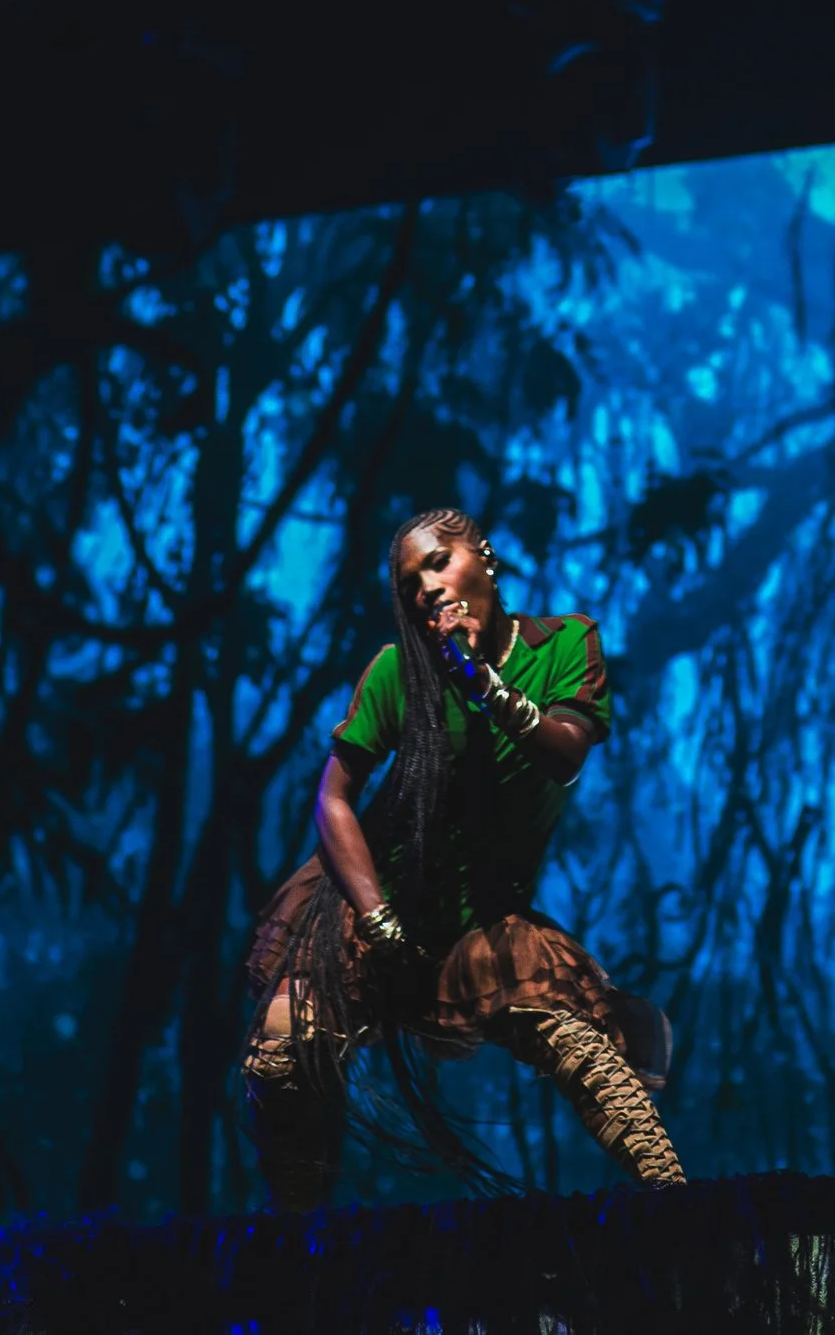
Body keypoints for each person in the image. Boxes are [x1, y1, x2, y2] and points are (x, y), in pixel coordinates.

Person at [239, 505, 684, 1206]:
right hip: (376, 907)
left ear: (485, 557)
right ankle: (299, 1238)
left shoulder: (565, 643)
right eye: (412, 582)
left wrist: (486, 686)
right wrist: (378, 920)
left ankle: (681, 1214)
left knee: (584, 1050)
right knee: (283, 1048)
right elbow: (333, 798)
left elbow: (565, 755)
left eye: (439, 561)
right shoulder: (396, 672)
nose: (429, 588)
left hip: (484, 924)